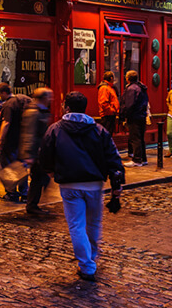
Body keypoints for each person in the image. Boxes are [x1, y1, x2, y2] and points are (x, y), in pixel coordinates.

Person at [40, 91, 124, 282]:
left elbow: (44, 154)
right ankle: (90, 258)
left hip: (70, 185)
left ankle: (87, 265)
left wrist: (51, 172)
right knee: (93, 224)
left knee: (77, 225)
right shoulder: (99, 130)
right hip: (94, 185)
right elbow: (113, 158)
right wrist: (116, 184)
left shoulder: (55, 129)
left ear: (66, 107)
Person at [0, 83, 32, 201]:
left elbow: (6, 123)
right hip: (21, 140)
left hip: (10, 142)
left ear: (3, 93)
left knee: (8, 168)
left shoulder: (8, 105)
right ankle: (24, 193)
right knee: (21, 167)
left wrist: (0, 140)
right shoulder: (21, 101)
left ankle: (11, 193)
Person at [20, 88, 54, 215]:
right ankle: (32, 205)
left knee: (40, 177)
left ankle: (33, 204)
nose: (51, 100)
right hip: (36, 152)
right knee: (39, 177)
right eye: (49, 97)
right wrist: (29, 154)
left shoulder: (40, 111)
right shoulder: (33, 112)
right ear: (43, 98)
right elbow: (29, 134)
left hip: (40, 151)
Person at [120, 71, 149, 167]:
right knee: (140, 138)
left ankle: (136, 160)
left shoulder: (131, 88)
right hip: (141, 115)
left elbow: (129, 104)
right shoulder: (141, 87)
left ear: (127, 78)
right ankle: (143, 159)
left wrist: (124, 115)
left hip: (134, 116)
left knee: (135, 138)